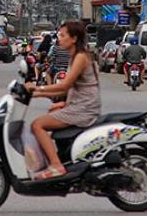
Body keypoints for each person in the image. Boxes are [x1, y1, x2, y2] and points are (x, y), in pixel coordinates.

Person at [26, 21, 100, 180]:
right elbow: (75, 88)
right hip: (81, 105)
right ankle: (64, 156)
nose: (59, 38)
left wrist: (37, 90)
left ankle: (56, 165)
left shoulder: (80, 57)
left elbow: (65, 85)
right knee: (52, 110)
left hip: (84, 109)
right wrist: (63, 102)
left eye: (62, 35)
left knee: (37, 125)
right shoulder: (76, 56)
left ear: (73, 38)